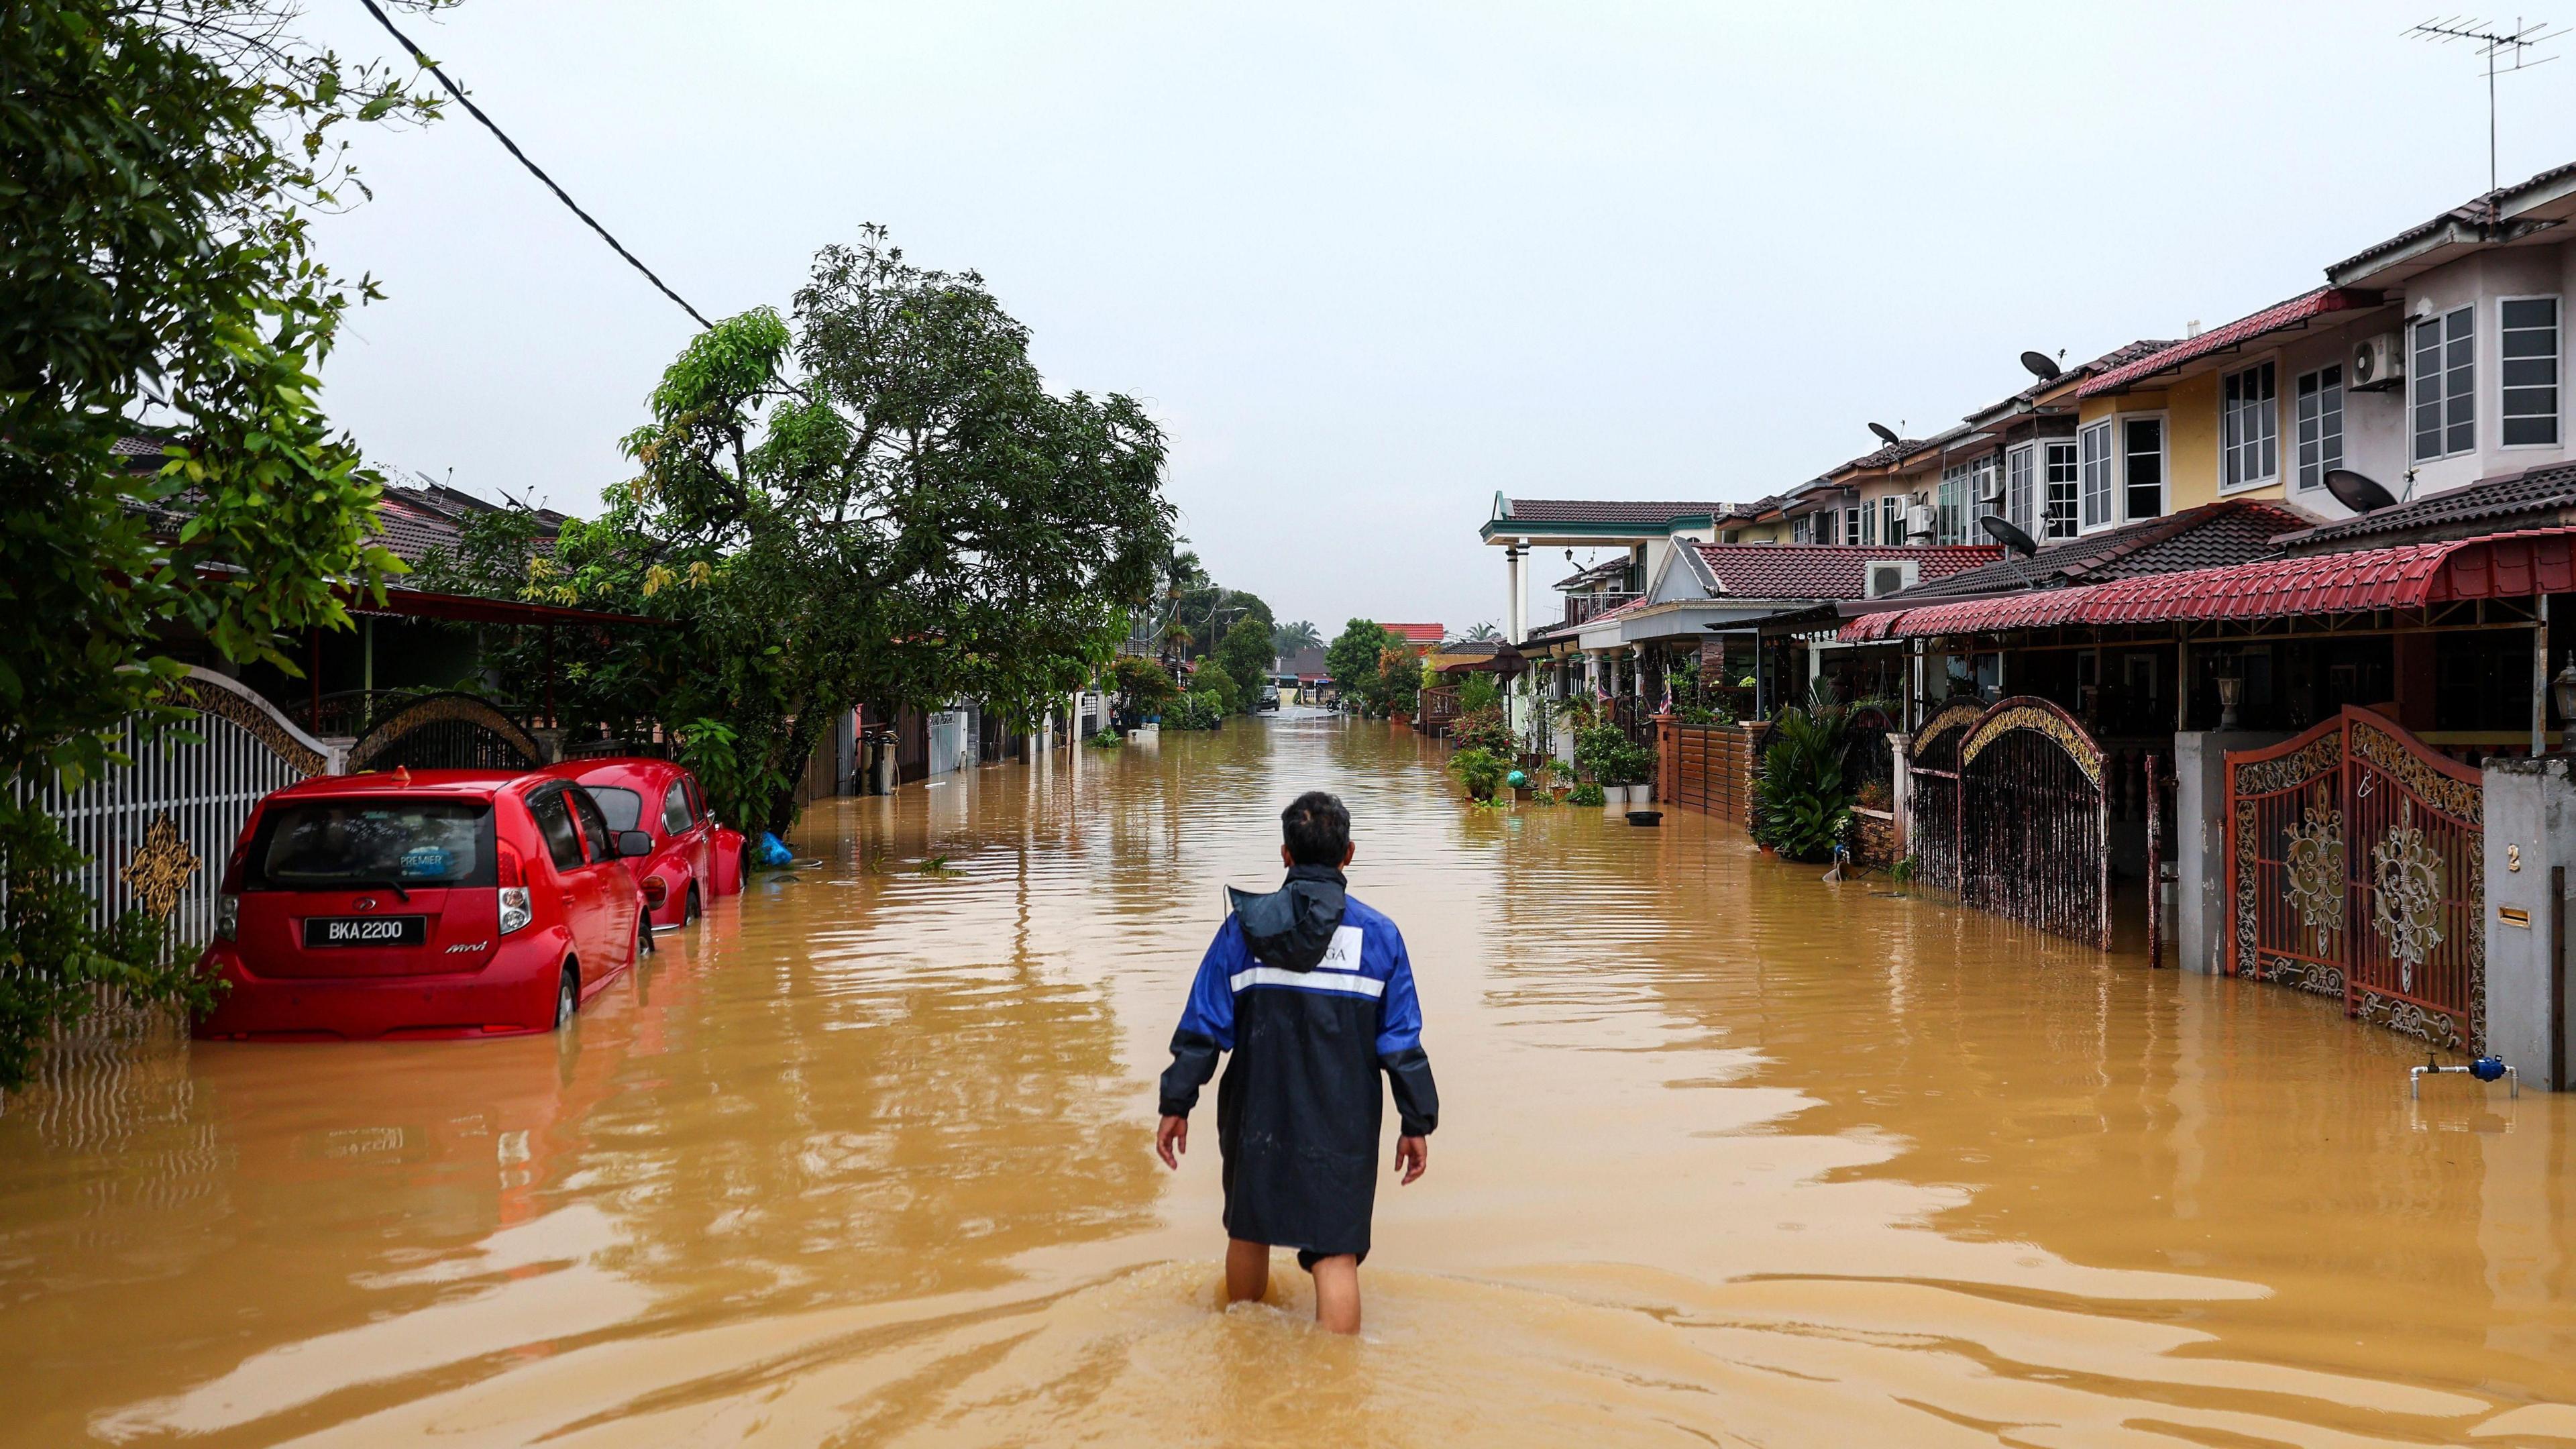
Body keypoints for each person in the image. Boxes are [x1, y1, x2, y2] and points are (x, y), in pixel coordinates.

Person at [1155, 790, 1438, 1334]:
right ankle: (1335, 1388)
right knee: (1335, 1253)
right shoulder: (1380, 938)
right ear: (1348, 854)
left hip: (1258, 1114)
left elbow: (1204, 1025)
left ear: (1285, 855)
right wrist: (1416, 1121)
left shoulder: (1243, 930)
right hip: (1344, 1122)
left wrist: (1177, 1102)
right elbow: (1401, 1042)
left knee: (1249, 1230)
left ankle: (1242, 1353)